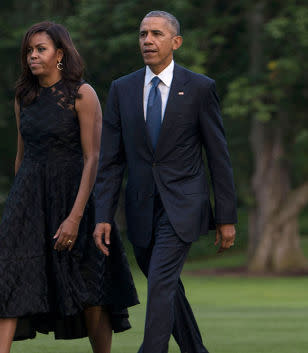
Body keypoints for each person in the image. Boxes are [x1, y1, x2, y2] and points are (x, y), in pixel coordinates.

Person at [0, 21, 139, 353]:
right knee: (2, 281)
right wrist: (18, 207)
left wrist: (75, 219)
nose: (32, 56)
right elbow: (21, 156)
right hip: (28, 202)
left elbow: (93, 159)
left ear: (59, 54)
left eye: (40, 49)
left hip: (75, 200)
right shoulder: (23, 97)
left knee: (90, 292)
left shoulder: (82, 93)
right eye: (29, 51)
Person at [93, 11, 237, 353]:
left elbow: (218, 156)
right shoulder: (121, 89)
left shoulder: (200, 88)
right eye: (143, 34)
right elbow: (111, 162)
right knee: (166, 285)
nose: (147, 40)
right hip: (141, 208)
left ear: (176, 42)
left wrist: (226, 216)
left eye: (156, 33)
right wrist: (102, 214)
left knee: (160, 283)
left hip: (184, 205)